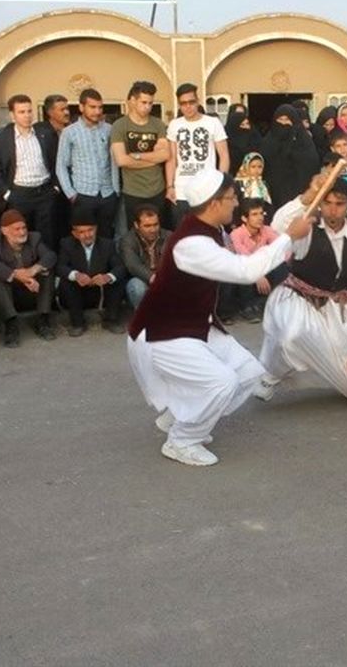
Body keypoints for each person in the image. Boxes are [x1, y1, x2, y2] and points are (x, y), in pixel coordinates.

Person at [127, 169, 311, 467]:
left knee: (249, 373)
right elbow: (245, 271)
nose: (235, 203)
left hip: (194, 324)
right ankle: (182, 440)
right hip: (162, 332)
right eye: (230, 198)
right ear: (214, 203)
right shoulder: (191, 244)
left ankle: (180, 415)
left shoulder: (206, 229)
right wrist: (289, 237)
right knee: (222, 383)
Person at [262, 178, 347, 410]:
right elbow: (278, 224)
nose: (332, 209)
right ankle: (270, 375)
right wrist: (307, 196)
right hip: (297, 297)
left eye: (339, 203)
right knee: (292, 335)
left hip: (337, 300)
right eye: (327, 203)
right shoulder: (306, 224)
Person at [0, 94, 61, 247]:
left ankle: (47, 269)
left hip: (45, 192)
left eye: (29, 111)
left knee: (47, 237)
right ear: (12, 115)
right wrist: (7, 193)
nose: (27, 116)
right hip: (19, 195)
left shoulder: (45, 135)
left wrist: (55, 187)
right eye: (21, 112)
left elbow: (55, 162)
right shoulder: (1, 140)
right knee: (22, 237)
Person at [0, 209, 57, 346]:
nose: (22, 232)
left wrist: (33, 270)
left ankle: (43, 319)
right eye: (17, 229)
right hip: (11, 293)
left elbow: (50, 256)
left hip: (33, 290)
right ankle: (10, 323)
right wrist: (17, 275)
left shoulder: (34, 238)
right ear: (4, 231)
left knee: (46, 271)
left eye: (24, 228)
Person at [57, 88, 120, 238]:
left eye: (100, 107)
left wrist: (116, 191)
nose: (97, 111)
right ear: (81, 107)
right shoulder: (69, 132)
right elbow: (61, 165)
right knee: (84, 239)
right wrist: (71, 194)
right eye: (92, 107)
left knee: (106, 238)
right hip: (83, 195)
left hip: (108, 194)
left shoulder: (109, 130)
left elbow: (114, 161)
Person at [56, 207, 126, 337]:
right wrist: (76, 275)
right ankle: (77, 323)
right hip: (77, 293)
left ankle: (111, 320)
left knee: (117, 279)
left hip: (99, 293)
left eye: (90, 230)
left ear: (96, 229)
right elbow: (60, 267)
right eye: (82, 232)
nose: (87, 235)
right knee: (67, 281)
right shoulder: (66, 244)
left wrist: (107, 277)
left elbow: (120, 267)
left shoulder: (107, 244)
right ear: (75, 234)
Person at [166, 82, 229, 220]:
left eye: (191, 102)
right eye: (183, 103)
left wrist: (219, 185)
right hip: (181, 190)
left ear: (198, 101)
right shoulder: (174, 125)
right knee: (182, 234)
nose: (187, 106)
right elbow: (171, 158)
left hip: (206, 189)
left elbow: (224, 156)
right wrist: (170, 186)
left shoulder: (213, 123)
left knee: (206, 233)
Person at [110, 81, 169, 227]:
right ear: (132, 100)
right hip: (133, 191)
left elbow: (165, 155)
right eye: (144, 102)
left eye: (150, 103)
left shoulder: (158, 124)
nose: (147, 107)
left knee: (158, 231)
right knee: (135, 233)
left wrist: (136, 156)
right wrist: (153, 159)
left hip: (157, 189)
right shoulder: (120, 125)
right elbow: (122, 160)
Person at [228, 198, 288, 324]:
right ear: (244, 218)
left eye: (261, 214)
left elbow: (282, 248)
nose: (260, 218)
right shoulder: (236, 234)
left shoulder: (266, 230)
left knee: (281, 265)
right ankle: (247, 307)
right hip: (244, 271)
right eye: (255, 214)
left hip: (261, 270)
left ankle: (277, 303)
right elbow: (244, 256)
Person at [259, 104, 320, 215]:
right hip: (274, 196)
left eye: (287, 120)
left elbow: (311, 165)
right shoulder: (267, 143)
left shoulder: (304, 142)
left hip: (301, 197)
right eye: (280, 119)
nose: (283, 123)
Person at [120, 205, 170, 309]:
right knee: (136, 287)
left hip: (165, 279)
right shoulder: (128, 240)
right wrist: (152, 277)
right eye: (147, 226)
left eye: (155, 225)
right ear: (136, 225)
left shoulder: (169, 236)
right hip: (143, 279)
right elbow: (132, 265)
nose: (152, 229)